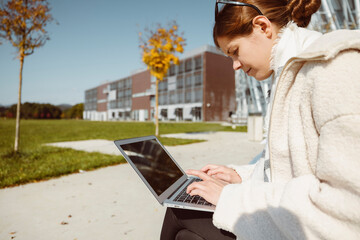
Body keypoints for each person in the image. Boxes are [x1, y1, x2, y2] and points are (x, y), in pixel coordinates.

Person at [160, 0, 360, 239]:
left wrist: (230, 197)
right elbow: (290, 166)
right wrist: (241, 177)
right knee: (186, 216)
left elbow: (348, 207)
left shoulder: (335, 67)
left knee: (179, 214)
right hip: (290, 222)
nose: (234, 65)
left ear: (263, 27)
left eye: (234, 51)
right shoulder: (287, 75)